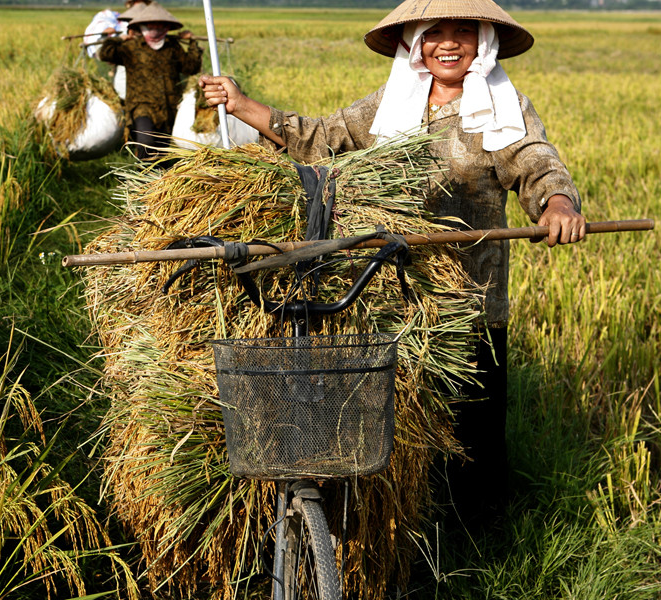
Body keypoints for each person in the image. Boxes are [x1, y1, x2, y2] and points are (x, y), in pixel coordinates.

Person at [200, 0, 587, 525]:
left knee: (471, 434)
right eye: (435, 33)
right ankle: (407, 533)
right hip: (395, 294)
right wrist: (244, 105)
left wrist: (558, 203)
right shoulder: (390, 106)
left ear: (483, 42)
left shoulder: (501, 106)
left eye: (463, 32)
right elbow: (320, 140)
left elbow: (537, 163)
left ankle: (478, 544)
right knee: (401, 427)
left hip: (471, 300)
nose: (448, 43)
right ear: (416, 44)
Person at [98, 1, 203, 160]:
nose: (155, 29)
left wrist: (192, 43)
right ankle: (141, 180)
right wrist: (118, 39)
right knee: (146, 144)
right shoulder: (131, 47)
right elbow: (105, 54)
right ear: (143, 26)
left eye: (159, 25)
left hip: (169, 107)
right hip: (142, 106)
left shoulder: (172, 46)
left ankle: (158, 182)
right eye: (150, 25)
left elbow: (191, 67)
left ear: (166, 27)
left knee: (163, 152)